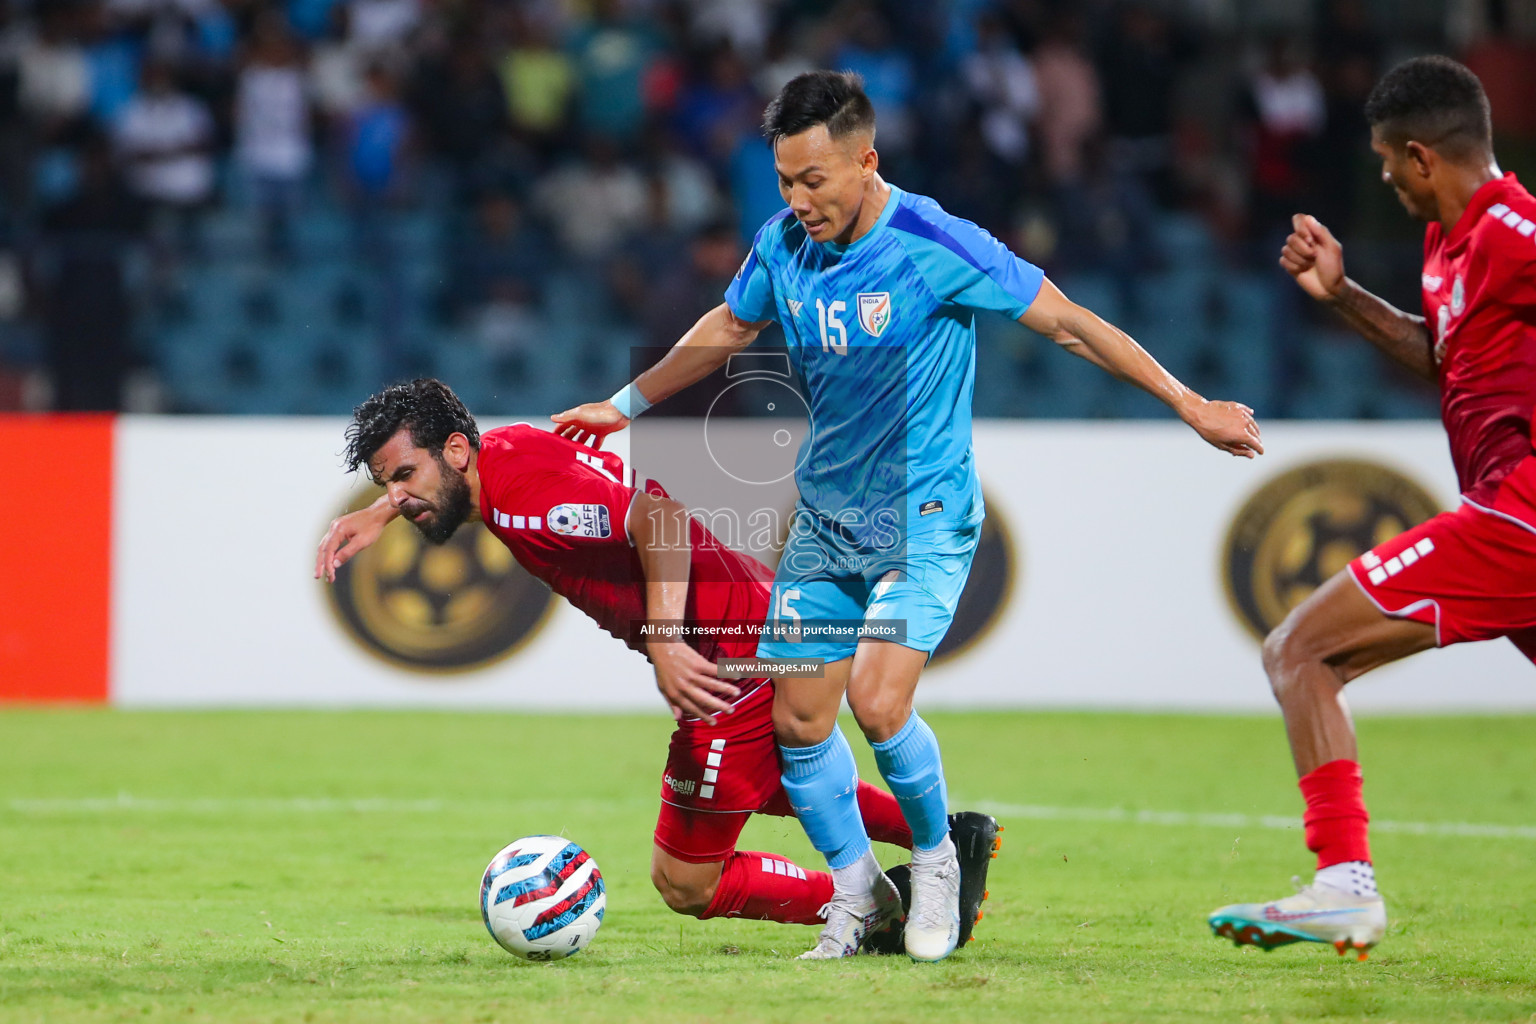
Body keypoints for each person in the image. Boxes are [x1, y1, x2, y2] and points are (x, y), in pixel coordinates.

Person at [550, 71, 1263, 961]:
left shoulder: (933, 240)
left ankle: (934, 861)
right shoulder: (780, 247)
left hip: (921, 517)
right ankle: (857, 894)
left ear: (865, 161)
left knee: (876, 700)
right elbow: (727, 331)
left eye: (816, 180)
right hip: (826, 525)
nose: (799, 200)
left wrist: (1189, 404)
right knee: (799, 720)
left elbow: (1071, 324)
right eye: (785, 181)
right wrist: (622, 405)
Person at [313, 378, 1001, 949]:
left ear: (456, 449)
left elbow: (659, 521)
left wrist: (667, 640)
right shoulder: (508, 451)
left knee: (686, 881)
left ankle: (891, 906)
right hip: (754, 625)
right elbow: (468, 496)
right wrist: (386, 511)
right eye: (387, 482)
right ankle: (942, 836)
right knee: (760, 784)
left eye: (405, 476)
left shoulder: (527, 502)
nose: (399, 494)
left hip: (724, 657)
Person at [1208, 56, 1536, 960]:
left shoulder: (1515, 231)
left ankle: (1342, 885)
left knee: (1299, 650)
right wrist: (1344, 296)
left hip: (1520, 517)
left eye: (1391, 162)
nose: (1384, 178)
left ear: (1424, 155)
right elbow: (1448, 357)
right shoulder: (1448, 244)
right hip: (1507, 513)